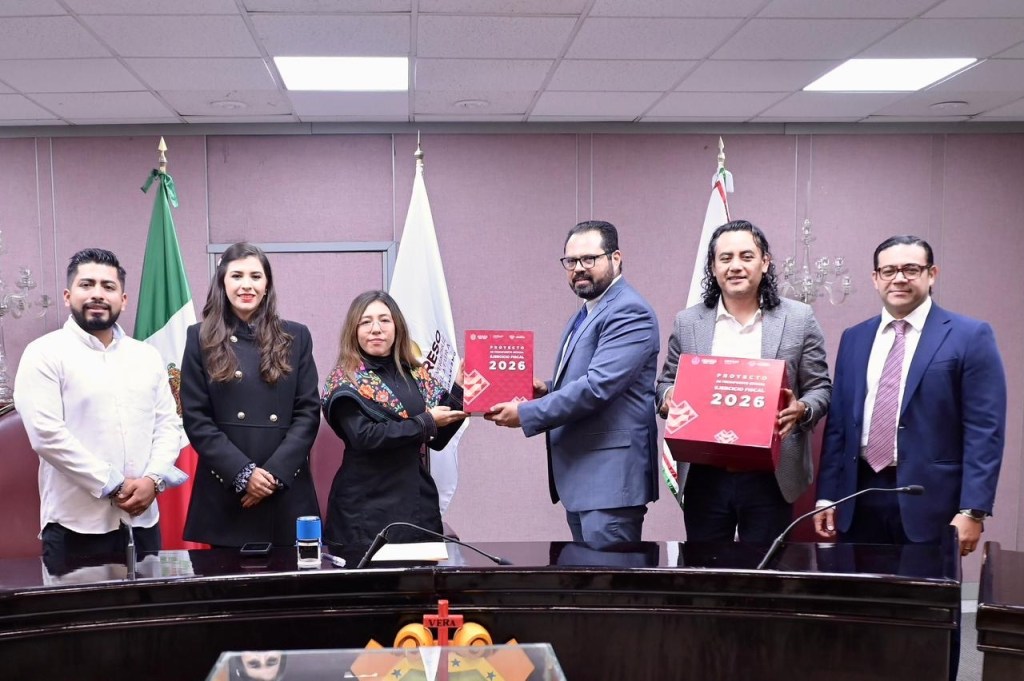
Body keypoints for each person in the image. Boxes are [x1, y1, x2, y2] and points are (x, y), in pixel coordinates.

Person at [814, 235, 1005, 681]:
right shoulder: (855, 338)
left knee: (931, 616)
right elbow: (839, 425)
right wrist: (826, 496)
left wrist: (973, 509)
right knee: (861, 612)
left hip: (932, 502)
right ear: (874, 278)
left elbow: (985, 430)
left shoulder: (969, 335)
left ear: (931, 275)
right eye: (889, 270)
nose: (899, 278)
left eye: (911, 269)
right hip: (860, 495)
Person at [655, 220, 831, 544]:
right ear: (713, 267)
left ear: (765, 262)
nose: (735, 266)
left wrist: (802, 409)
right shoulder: (688, 322)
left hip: (772, 474)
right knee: (705, 567)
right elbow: (666, 381)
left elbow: (821, 388)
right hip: (704, 473)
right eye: (725, 258)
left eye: (746, 256)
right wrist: (668, 397)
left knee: (766, 569)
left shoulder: (799, 319)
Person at [486, 220, 660, 546]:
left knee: (608, 576)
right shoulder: (588, 311)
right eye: (571, 261)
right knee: (587, 573)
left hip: (610, 483)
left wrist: (526, 413)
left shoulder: (629, 311)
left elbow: (597, 387)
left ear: (616, 258)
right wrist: (547, 389)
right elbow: (588, 379)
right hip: (585, 480)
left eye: (589, 259)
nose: (579, 268)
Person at [14, 248, 181, 572]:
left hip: (143, 522)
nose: (97, 294)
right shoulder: (44, 354)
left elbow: (168, 425)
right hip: (75, 526)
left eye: (108, 286)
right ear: (68, 296)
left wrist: (153, 479)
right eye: (86, 284)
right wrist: (113, 484)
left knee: (148, 606)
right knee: (79, 608)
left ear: (123, 299)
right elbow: (46, 435)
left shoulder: (146, 356)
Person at [181, 242, 320, 547]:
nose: (247, 285)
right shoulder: (199, 337)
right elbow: (196, 419)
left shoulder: (295, 336)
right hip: (226, 494)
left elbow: (308, 413)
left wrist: (271, 476)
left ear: (267, 285)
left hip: (285, 490)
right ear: (222, 283)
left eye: (256, 276)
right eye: (237, 276)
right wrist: (244, 474)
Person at [320, 290, 467, 547]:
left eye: (384, 320)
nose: (376, 329)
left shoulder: (416, 373)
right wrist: (425, 422)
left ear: (397, 326)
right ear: (354, 330)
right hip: (364, 507)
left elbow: (437, 439)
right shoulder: (345, 379)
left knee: (420, 573)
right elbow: (364, 437)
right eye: (366, 322)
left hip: (416, 501)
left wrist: (459, 390)